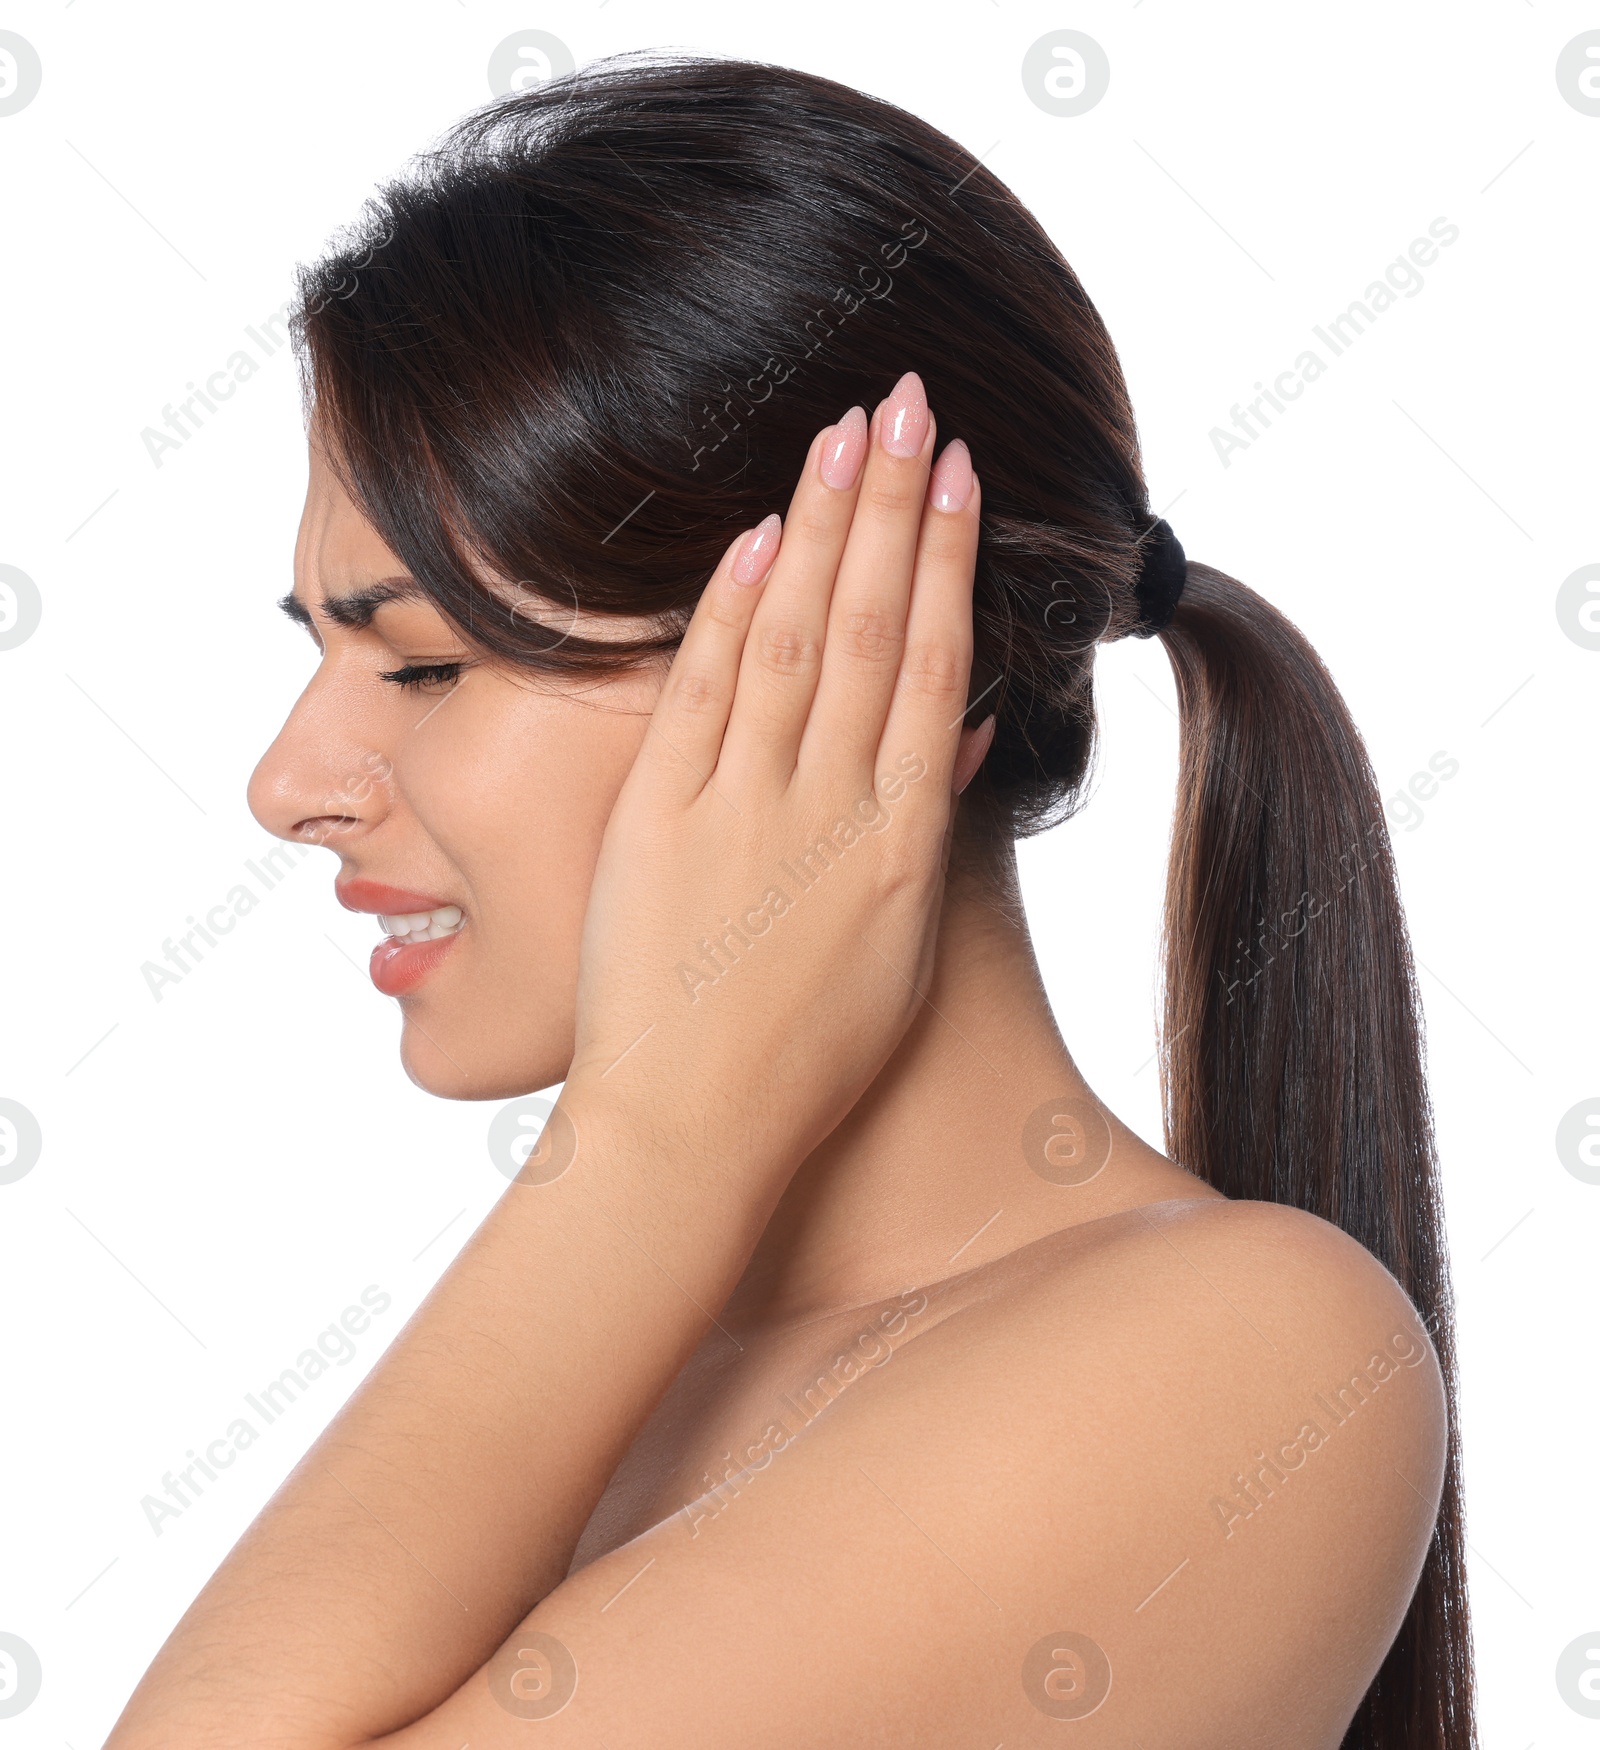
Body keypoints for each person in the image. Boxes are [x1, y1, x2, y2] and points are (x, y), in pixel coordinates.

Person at [106, 52, 1473, 1749]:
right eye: (322, 649)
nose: (288, 781)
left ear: (879, 661)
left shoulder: (1235, 1358)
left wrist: (658, 1137)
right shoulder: (636, 1349)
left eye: (430, 664)